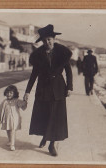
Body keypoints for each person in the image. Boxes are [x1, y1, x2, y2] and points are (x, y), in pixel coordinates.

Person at [23, 24, 73, 156]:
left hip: (58, 88)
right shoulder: (38, 55)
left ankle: (52, 144)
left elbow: (68, 71)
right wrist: (27, 91)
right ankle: (45, 136)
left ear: (54, 39)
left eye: (49, 39)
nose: (47, 42)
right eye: (45, 40)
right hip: (43, 88)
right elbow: (34, 75)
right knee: (45, 115)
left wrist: (69, 87)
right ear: (42, 41)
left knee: (56, 117)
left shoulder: (62, 53)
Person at [0, 85, 27, 151]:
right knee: (7, 130)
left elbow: (23, 106)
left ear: (14, 94)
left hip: (14, 119)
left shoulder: (16, 101)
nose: (9, 94)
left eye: (11, 93)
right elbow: (0, 110)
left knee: (12, 131)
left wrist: (25, 100)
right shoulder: (5, 101)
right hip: (6, 119)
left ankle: (12, 145)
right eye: (7, 92)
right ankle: (10, 140)